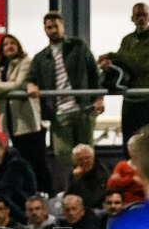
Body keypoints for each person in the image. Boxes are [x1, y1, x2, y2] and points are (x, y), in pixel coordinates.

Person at [25, 11, 104, 175]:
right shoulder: (41, 57)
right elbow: (29, 78)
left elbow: (94, 72)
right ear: (45, 30)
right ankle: (75, 184)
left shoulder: (78, 46)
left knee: (87, 152)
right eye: (49, 27)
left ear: (62, 26)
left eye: (56, 26)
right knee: (62, 153)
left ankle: (91, 189)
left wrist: (99, 98)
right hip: (59, 112)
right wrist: (30, 85)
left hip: (84, 108)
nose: (53, 30)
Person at [0, 34, 51, 193]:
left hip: (29, 121)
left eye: (13, 43)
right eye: (6, 44)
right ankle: (30, 194)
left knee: (38, 161)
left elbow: (19, 84)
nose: (9, 46)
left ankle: (46, 193)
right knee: (23, 161)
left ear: (18, 46)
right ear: (2, 49)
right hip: (12, 122)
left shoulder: (26, 62)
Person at [98, 3, 149, 155]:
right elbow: (124, 67)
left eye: (144, 15)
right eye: (138, 15)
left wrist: (114, 56)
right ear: (132, 18)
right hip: (130, 100)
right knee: (129, 147)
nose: (141, 19)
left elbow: (142, 63)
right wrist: (110, 66)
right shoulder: (127, 40)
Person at [66, 144, 110, 211]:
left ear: (93, 157)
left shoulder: (101, 172)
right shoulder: (74, 172)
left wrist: (79, 180)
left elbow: (93, 200)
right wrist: (76, 179)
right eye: (80, 159)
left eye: (87, 158)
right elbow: (67, 196)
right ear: (74, 161)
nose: (84, 161)